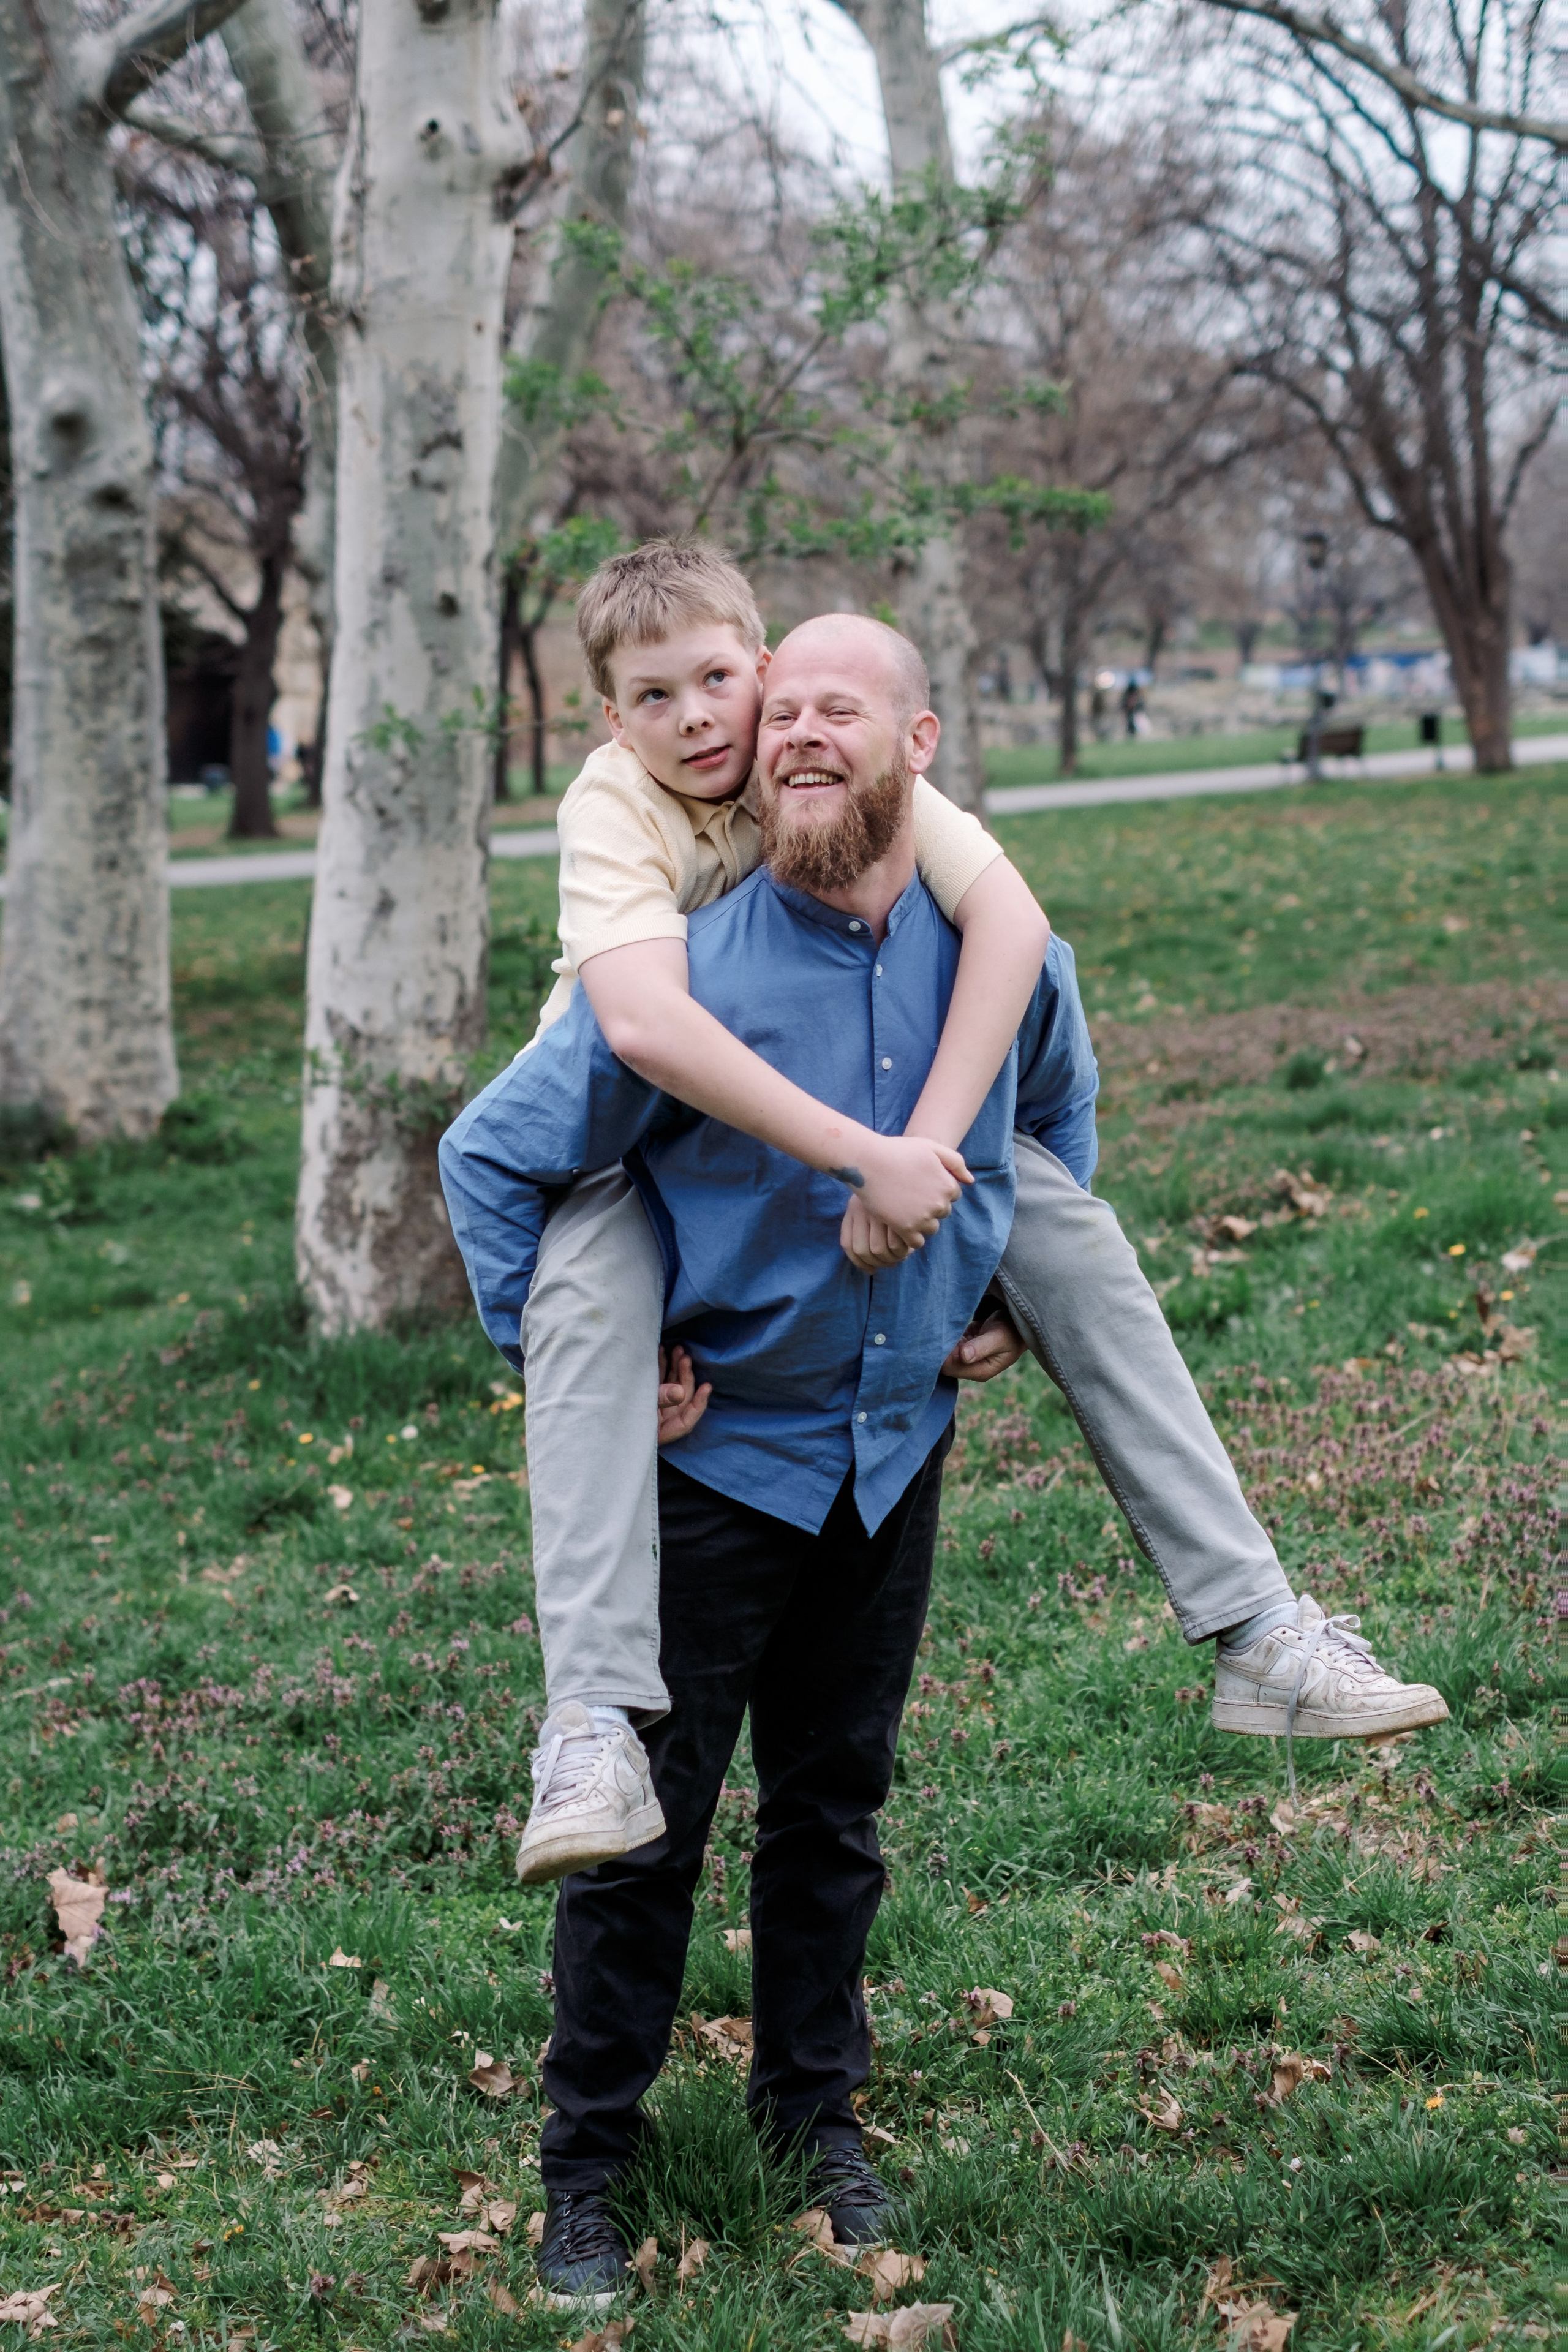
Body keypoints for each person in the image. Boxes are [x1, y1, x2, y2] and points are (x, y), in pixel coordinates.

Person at [441, 614, 1449, 2306]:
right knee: (645, 1837)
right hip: (718, 1469)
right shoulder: (688, 971)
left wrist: (998, 1297)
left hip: (886, 1457)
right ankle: (587, 2176)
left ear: (918, 747)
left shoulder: (999, 958)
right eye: (783, 720)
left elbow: (1051, 1132)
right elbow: (501, 1159)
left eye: (841, 710)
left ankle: (811, 2120)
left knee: (834, 1814)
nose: (795, 736)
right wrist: (582, 1366)